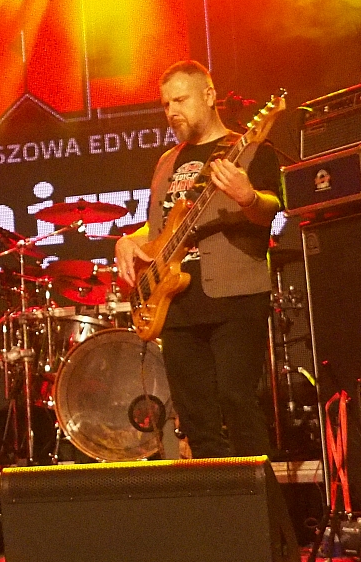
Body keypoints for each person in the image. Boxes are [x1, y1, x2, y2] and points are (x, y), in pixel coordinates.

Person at [114, 61, 282, 460]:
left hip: (234, 296)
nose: (172, 111)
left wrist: (248, 197)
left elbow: (271, 209)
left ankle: (260, 496)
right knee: (196, 418)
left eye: (181, 100)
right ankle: (217, 496)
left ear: (209, 96)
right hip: (177, 303)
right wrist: (128, 240)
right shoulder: (166, 162)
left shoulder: (253, 149)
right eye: (166, 104)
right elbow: (159, 228)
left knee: (237, 402)